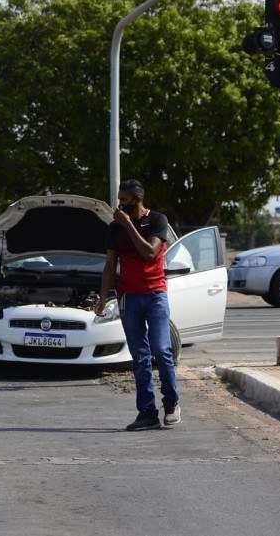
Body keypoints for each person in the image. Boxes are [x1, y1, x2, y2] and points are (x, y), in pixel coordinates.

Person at [96, 179, 180, 430]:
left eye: (125, 201)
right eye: (119, 201)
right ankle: (147, 413)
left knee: (161, 350)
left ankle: (172, 402)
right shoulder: (115, 228)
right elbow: (110, 265)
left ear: (138, 200)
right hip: (128, 298)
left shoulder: (157, 221)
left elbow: (149, 253)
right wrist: (102, 297)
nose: (120, 206)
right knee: (140, 357)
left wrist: (129, 225)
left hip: (155, 295)